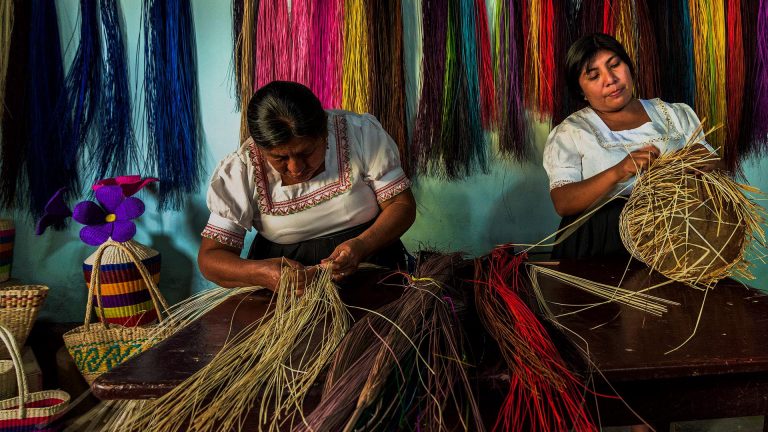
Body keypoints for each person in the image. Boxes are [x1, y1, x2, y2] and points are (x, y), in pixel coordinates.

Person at [198, 81, 416, 294]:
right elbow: (211, 258)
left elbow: (401, 204)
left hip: (371, 265)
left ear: (325, 132)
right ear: (261, 148)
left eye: (307, 152)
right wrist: (260, 273)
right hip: (289, 291)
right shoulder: (242, 168)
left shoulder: (358, 134)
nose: (296, 168)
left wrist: (362, 245)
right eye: (280, 158)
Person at [543, 33, 718, 260]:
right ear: (580, 92)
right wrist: (619, 171)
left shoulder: (674, 114)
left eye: (615, 65)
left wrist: (705, 160)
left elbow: (716, 167)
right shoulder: (571, 132)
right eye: (594, 76)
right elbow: (563, 203)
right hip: (602, 242)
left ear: (629, 67)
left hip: (678, 237)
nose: (610, 80)